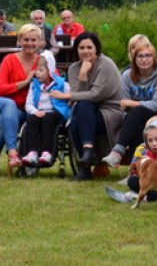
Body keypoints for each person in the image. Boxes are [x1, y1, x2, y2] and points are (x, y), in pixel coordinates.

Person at [52, 31, 124, 181]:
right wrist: (83, 75)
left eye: (89, 48)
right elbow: (80, 97)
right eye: (81, 48)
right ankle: (87, 155)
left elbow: (96, 95)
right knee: (76, 120)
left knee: (81, 109)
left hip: (109, 111)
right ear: (76, 50)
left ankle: (85, 165)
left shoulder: (106, 64)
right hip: (86, 112)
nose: (85, 51)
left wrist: (68, 95)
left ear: (96, 49)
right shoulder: (74, 68)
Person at [0, 24, 43, 177]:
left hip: (21, 110)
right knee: (8, 105)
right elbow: (0, 88)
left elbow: (53, 82)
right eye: (26, 40)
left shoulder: (42, 62)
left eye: (33, 40)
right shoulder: (9, 59)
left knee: (2, 120)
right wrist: (25, 82)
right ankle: (12, 151)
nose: (30, 43)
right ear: (19, 41)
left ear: (39, 42)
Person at [102, 42, 157, 168]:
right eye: (140, 56)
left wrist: (133, 103)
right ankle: (135, 171)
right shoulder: (128, 75)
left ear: (154, 58)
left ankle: (118, 152)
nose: (144, 60)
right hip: (134, 117)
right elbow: (123, 104)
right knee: (137, 124)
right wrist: (131, 105)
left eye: (148, 56)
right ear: (134, 59)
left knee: (138, 112)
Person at [20, 55, 70, 168]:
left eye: (41, 70)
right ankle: (32, 152)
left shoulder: (61, 84)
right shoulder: (34, 85)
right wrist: (34, 111)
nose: (37, 73)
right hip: (39, 113)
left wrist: (65, 98)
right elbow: (28, 104)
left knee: (48, 118)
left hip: (56, 113)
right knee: (31, 118)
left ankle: (46, 152)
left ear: (50, 70)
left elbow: (71, 96)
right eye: (36, 70)